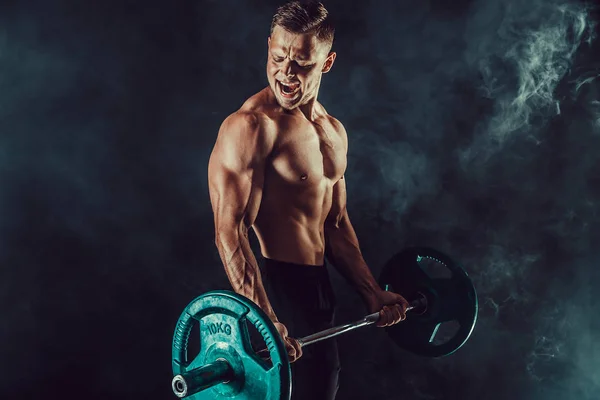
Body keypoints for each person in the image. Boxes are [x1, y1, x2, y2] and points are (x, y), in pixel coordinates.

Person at [208, 1, 409, 399]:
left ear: (327, 62)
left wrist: (371, 290)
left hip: (318, 296)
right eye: (278, 56)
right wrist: (265, 318)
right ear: (269, 46)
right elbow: (229, 233)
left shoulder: (332, 132)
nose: (285, 71)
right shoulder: (250, 127)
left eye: (301, 62)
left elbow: (333, 223)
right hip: (271, 291)